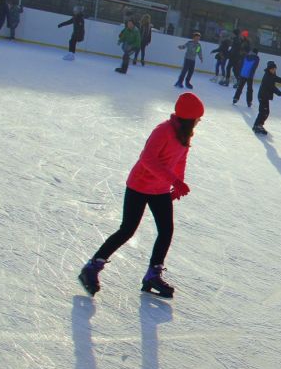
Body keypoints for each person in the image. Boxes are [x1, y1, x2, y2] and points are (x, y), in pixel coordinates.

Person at [78, 93, 205, 298]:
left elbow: (180, 160)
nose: (200, 120)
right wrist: (174, 181)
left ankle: (152, 275)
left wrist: (178, 184)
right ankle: (91, 268)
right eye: (198, 117)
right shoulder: (163, 131)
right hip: (139, 185)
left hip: (160, 189)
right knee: (127, 230)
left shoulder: (185, 134)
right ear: (190, 117)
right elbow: (147, 159)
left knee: (166, 231)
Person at [252, 61, 281, 135]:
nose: (274, 70)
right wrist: (280, 94)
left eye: (275, 69)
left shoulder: (271, 74)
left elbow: (277, 78)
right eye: (273, 69)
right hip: (263, 96)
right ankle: (257, 125)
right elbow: (272, 88)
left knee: (266, 112)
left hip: (265, 96)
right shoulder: (267, 77)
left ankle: (259, 125)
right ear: (269, 69)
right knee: (263, 112)